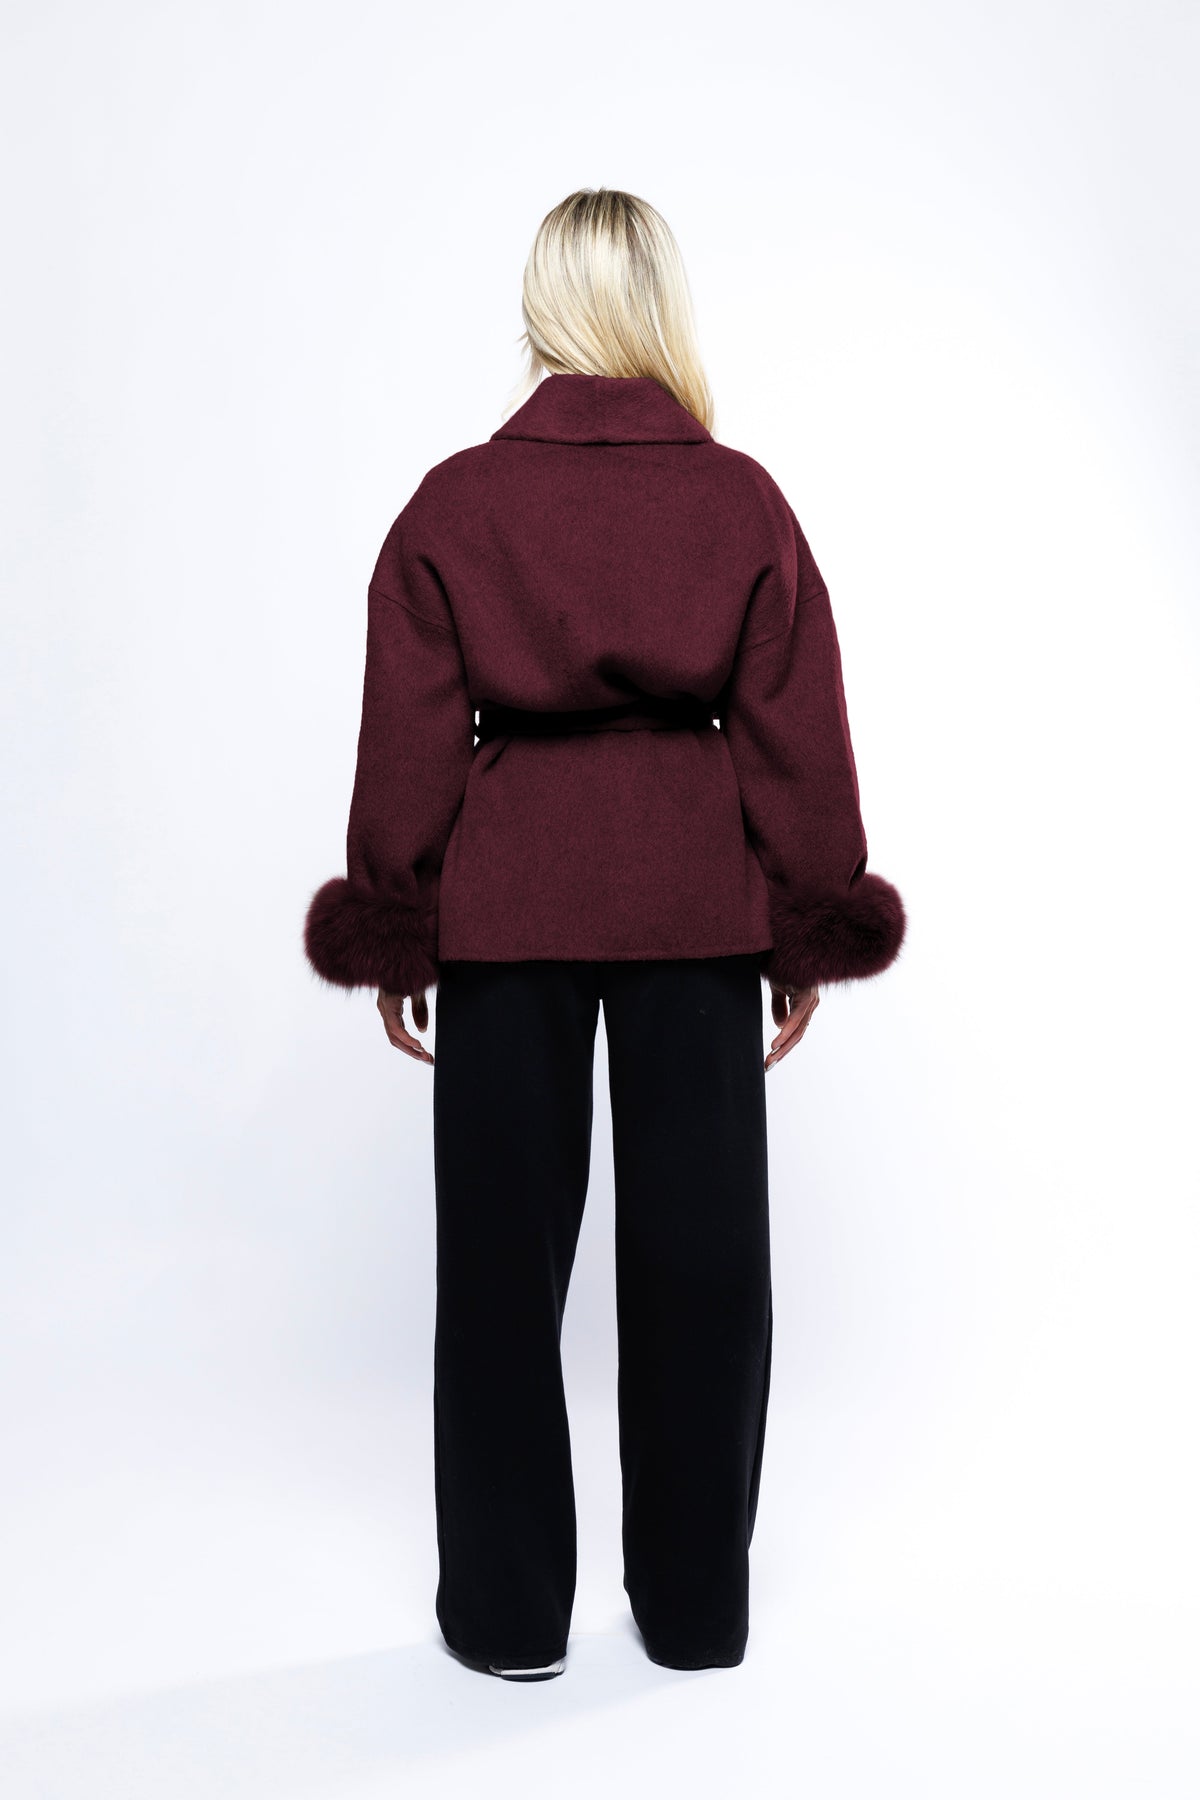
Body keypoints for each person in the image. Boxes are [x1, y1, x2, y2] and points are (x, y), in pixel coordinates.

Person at [302, 187, 907, 1682]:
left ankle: (509, 1618)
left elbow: (409, 730)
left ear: (543, 311)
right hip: (693, 895)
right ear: (660, 307)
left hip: (506, 896)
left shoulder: (456, 505)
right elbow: (795, 728)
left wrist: (398, 908)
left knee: (500, 1269)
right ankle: (694, 1613)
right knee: (704, 1264)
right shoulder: (738, 502)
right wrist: (810, 912)